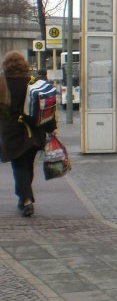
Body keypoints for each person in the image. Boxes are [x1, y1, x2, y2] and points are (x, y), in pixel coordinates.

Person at [0, 51, 57, 217]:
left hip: (11, 132)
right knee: (27, 165)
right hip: (33, 131)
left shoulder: (2, 83)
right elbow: (46, 108)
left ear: (6, 65)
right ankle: (24, 197)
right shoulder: (33, 82)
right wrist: (51, 127)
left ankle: (26, 200)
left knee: (18, 166)